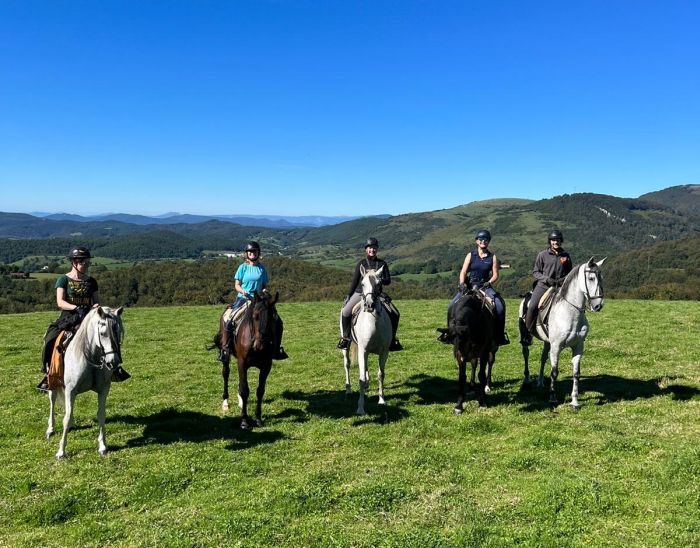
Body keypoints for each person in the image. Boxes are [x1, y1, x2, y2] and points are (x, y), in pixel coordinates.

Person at [37, 246, 130, 391]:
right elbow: (60, 302)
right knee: (50, 339)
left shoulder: (92, 281)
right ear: (74, 262)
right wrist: (75, 308)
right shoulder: (63, 280)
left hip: (89, 317)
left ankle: (115, 368)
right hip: (69, 317)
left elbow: (95, 300)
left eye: (87, 263)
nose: (86, 265)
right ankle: (48, 373)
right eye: (83, 263)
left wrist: (96, 306)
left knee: (110, 336)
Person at [439, 229, 509, 345]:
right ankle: (449, 334)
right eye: (481, 239)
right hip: (470, 285)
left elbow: (496, 275)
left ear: (488, 242)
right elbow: (463, 272)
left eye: (486, 240)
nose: (483, 241)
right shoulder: (471, 255)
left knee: (499, 306)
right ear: (477, 241)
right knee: (451, 305)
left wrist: (490, 282)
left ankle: (499, 335)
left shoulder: (492, 257)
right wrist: (462, 284)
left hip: (485, 286)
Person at [222, 241, 287, 360]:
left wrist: (265, 291)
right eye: (250, 252)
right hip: (243, 299)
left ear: (258, 253)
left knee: (278, 321)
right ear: (247, 254)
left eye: (254, 251)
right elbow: (237, 285)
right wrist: (243, 292)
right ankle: (225, 349)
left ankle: (277, 350)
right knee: (228, 318)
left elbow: (264, 285)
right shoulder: (242, 267)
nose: (252, 253)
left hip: (259, 300)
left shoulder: (262, 269)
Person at [337, 237, 402, 351]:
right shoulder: (361, 264)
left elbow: (388, 280)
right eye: (370, 248)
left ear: (377, 249)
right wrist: (349, 295)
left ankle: (392, 340)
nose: (372, 250)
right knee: (346, 311)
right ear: (366, 250)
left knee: (395, 313)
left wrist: (380, 280)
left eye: (374, 248)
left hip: (377, 294)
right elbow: (355, 281)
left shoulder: (382, 264)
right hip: (360, 293)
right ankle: (345, 338)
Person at [523, 229, 573, 341]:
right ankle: (527, 334)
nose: (556, 242)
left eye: (558, 240)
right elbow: (536, 272)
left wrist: (563, 280)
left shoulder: (566, 255)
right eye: (553, 240)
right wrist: (546, 279)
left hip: (560, 287)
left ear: (561, 241)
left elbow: (570, 273)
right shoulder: (542, 255)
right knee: (532, 306)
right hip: (543, 286)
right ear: (550, 242)